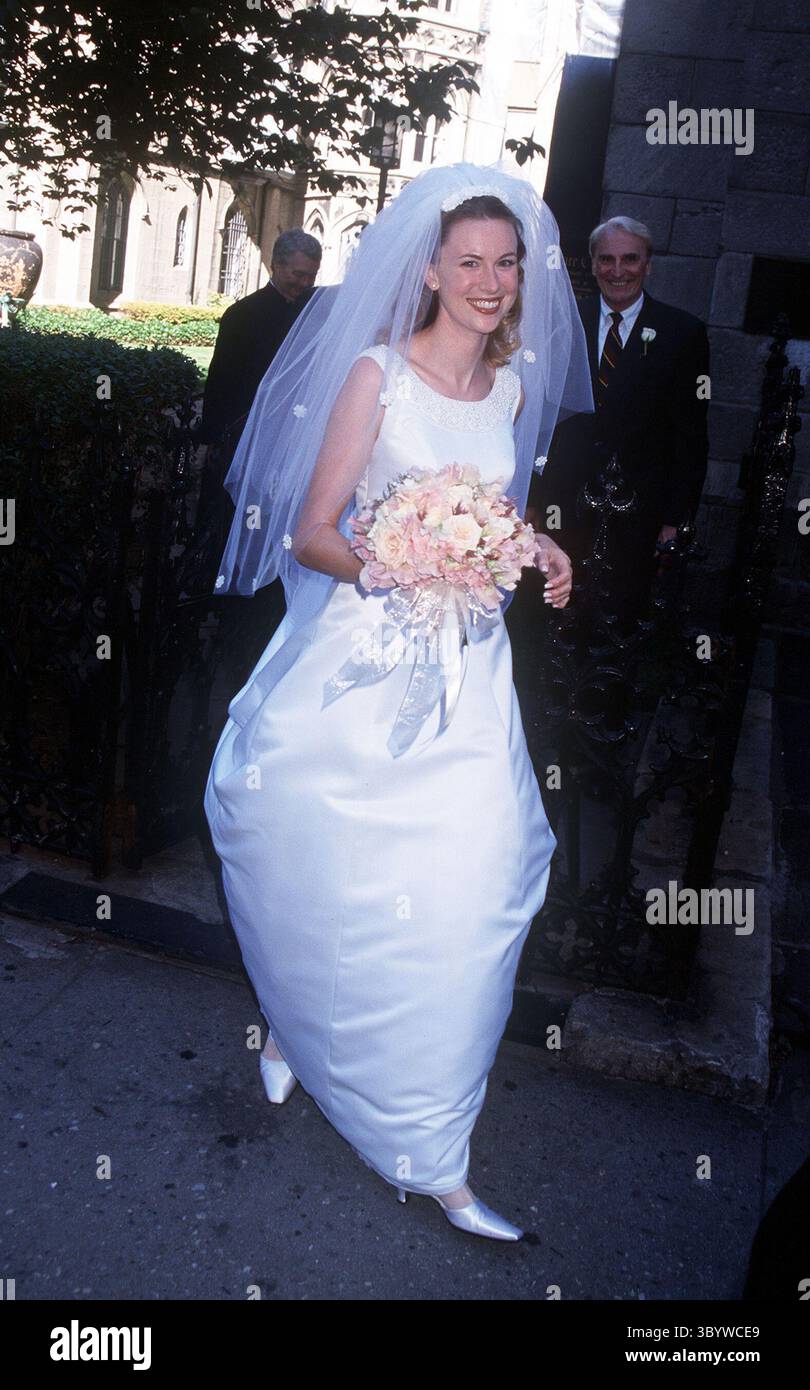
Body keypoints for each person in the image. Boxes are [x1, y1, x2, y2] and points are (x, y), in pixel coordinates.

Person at [202, 163, 592, 1241]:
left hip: (470, 679)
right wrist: (398, 562)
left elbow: (496, 513)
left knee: (478, 887)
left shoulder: (511, 390)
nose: (490, 280)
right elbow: (312, 531)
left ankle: (430, 1136)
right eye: (468, 261)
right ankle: (311, 1036)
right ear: (427, 269)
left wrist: (537, 543)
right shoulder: (377, 374)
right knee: (325, 862)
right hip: (365, 662)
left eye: (506, 262)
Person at [527, 215, 709, 618]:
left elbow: (690, 434)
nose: (617, 270)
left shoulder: (683, 333)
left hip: (636, 508)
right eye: (606, 259)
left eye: (629, 259)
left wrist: (675, 519)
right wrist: (533, 498)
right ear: (592, 264)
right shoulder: (563, 325)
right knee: (551, 610)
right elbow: (539, 418)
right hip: (564, 503)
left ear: (648, 264)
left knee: (618, 618)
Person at [199, 228, 322, 461]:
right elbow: (221, 380)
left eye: (311, 276)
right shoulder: (242, 314)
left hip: (294, 435)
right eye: (298, 274)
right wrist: (214, 437)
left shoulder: (315, 314)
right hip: (245, 432)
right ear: (276, 264)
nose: (305, 283)